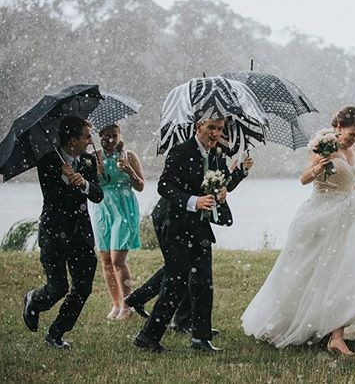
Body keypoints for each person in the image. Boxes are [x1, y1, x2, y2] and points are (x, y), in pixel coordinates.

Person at [241, 106, 355, 356]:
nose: (354, 139)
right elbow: (304, 179)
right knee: (310, 274)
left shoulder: (353, 149)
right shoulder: (323, 143)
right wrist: (318, 168)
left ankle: (336, 335)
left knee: (347, 272)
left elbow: (349, 181)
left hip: (349, 213)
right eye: (352, 134)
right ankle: (303, 324)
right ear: (339, 127)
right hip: (321, 215)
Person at [133, 116, 243, 353]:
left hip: (200, 226)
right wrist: (194, 201)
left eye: (220, 129)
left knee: (204, 280)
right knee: (176, 280)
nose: (215, 133)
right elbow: (164, 186)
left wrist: (224, 189)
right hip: (173, 222)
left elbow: (221, 184)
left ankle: (200, 339)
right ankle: (148, 336)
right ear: (198, 127)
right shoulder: (180, 151)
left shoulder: (216, 155)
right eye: (211, 128)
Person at [123, 153, 253, 327]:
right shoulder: (196, 153)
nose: (227, 140)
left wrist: (240, 171)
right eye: (224, 134)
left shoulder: (218, 156)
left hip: (190, 218)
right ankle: (168, 320)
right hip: (170, 215)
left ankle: (151, 305)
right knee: (180, 268)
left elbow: (223, 186)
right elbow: (192, 186)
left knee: (186, 267)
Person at [22, 116, 104, 349]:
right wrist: (65, 179)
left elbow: (98, 196)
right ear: (71, 139)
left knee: (83, 287)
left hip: (81, 235)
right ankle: (33, 301)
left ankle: (56, 333)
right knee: (58, 288)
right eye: (86, 137)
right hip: (54, 232)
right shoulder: (48, 161)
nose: (90, 141)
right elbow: (52, 198)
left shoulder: (88, 160)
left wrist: (85, 184)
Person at [91, 124, 145, 321]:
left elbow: (140, 186)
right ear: (100, 137)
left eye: (114, 136)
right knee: (105, 261)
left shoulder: (128, 155)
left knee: (118, 260)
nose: (110, 140)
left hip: (124, 208)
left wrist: (130, 172)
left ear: (120, 135)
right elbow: (87, 188)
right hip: (101, 209)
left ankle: (127, 305)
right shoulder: (93, 157)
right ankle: (115, 303)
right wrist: (93, 175)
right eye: (106, 136)